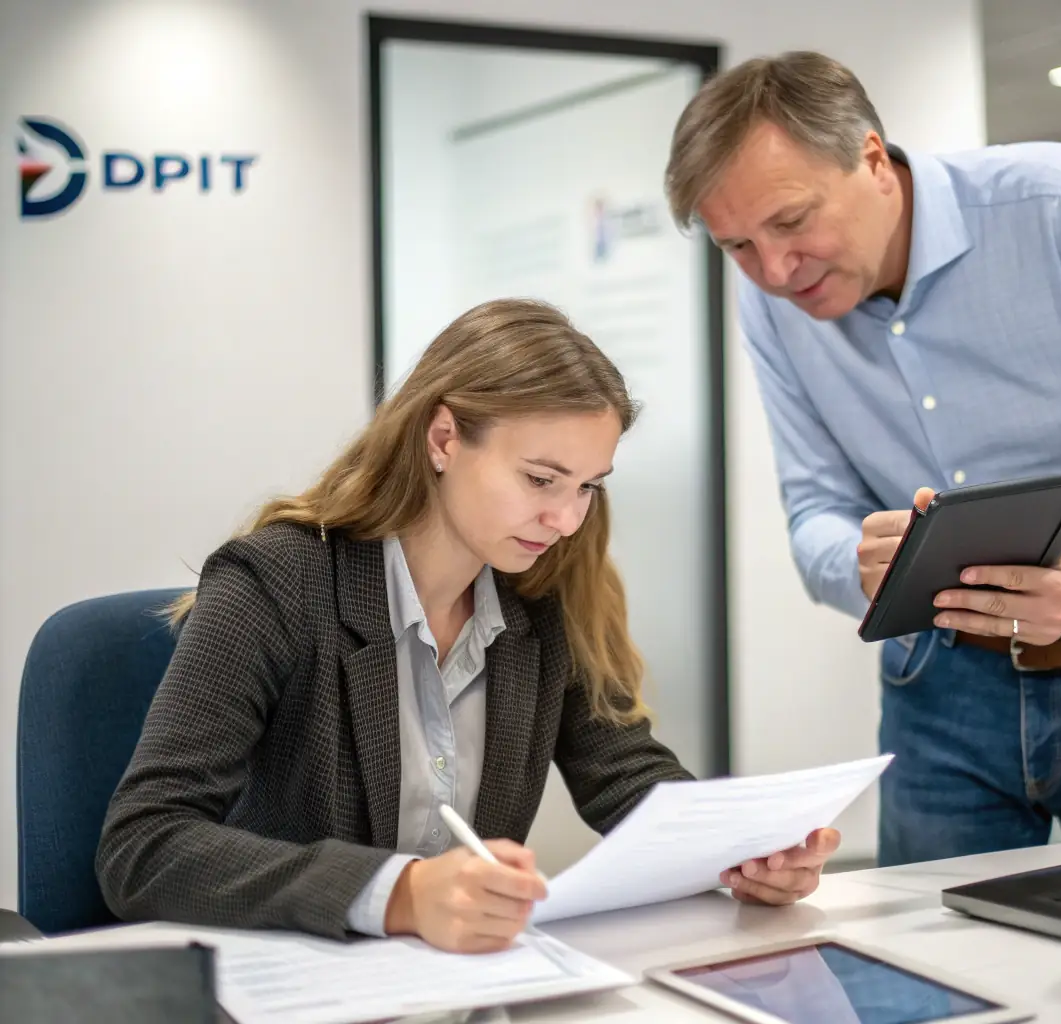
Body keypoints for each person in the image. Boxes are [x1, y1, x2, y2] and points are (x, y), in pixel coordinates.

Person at [665, 53, 1061, 866]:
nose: (775, 271)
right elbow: (814, 511)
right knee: (938, 977)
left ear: (872, 160)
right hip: (941, 688)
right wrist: (860, 565)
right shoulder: (771, 309)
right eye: (737, 245)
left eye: (790, 222)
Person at [96, 298, 840, 952]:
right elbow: (144, 845)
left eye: (587, 488)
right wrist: (399, 895)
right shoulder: (277, 584)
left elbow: (624, 775)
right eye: (541, 480)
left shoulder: (539, 597)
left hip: (461, 987)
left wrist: (737, 852)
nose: (565, 518)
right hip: (301, 982)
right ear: (444, 439)